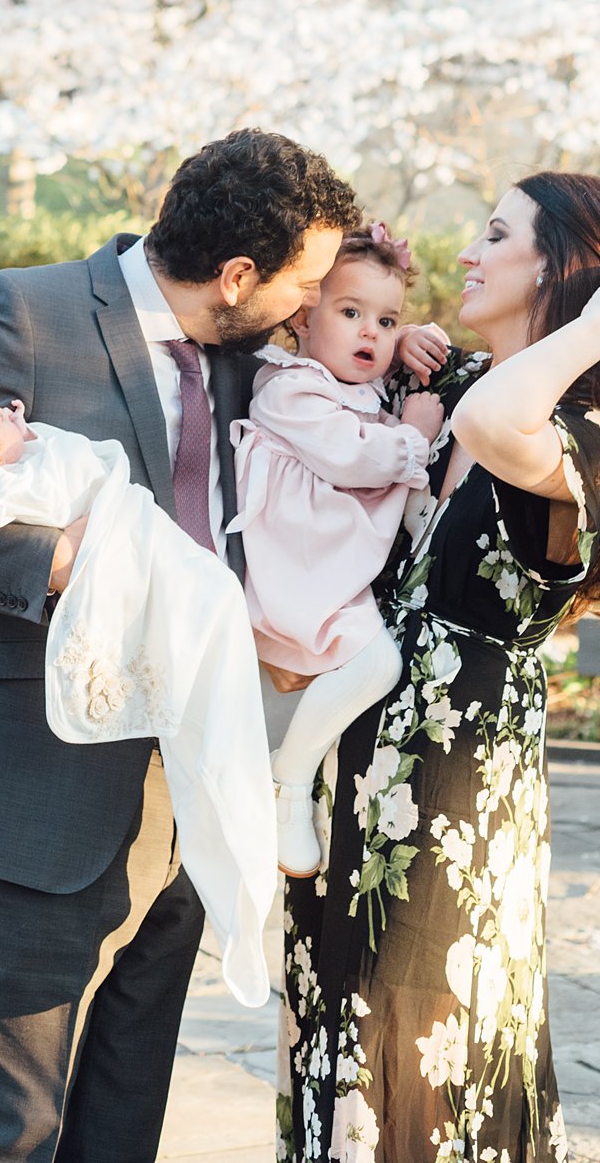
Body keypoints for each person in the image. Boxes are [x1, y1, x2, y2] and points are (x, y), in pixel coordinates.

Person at [0, 126, 361, 1163]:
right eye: (303, 281)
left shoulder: (249, 352)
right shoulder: (27, 309)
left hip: (190, 774)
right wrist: (51, 565)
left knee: (126, 1102)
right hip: (40, 770)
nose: (310, 303)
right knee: (13, 1114)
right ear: (235, 275)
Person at [280, 171, 600, 1163]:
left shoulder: (588, 440)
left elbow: (490, 429)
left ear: (557, 269)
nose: (468, 253)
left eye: (496, 234)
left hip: (451, 801)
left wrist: (599, 328)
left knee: (425, 1056)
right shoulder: (464, 379)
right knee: (331, 1043)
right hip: (355, 781)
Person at [234, 222, 448, 876]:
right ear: (301, 313)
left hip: (332, 565)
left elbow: (370, 359)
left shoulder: (357, 383)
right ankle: (287, 784)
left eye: (385, 320)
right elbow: (353, 456)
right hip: (294, 566)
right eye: (350, 312)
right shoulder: (289, 386)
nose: (368, 332)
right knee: (373, 665)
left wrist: (401, 341)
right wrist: (412, 436)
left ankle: (288, 785)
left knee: (374, 665)